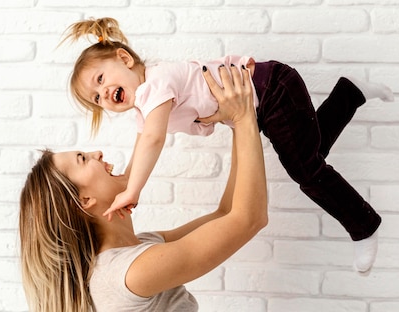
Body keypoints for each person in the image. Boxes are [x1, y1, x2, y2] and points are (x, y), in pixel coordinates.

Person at [64, 17, 394, 272]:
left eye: (101, 80)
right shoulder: (144, 109)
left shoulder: (156, 82)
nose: (103, 94)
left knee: (307, 171)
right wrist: (124, 184)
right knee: (310, 154)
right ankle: (350, 93)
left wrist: (133, 191)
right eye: (96, 98)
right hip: (262, 103)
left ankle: (364, 224)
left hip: (272, 88)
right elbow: (142, 144)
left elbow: (153, 139)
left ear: (125, 59)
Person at [19, 65, 267, 311]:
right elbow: (249, 219)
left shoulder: (137, 249)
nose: (97, 153)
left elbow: (226, 214)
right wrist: (242, 117)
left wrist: (240, 123)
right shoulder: (130, 273)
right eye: (83, 159)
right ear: (83, 200)